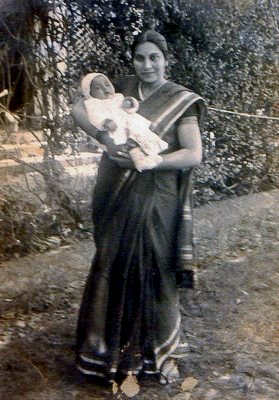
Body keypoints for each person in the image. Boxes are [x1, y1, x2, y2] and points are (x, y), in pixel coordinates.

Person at [71, 30, 206, 385]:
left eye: (153, 57)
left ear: (165, 59)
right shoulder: (117, 92)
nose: (147, 65)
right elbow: (77, 109)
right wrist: (103, 137)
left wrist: (147, 162)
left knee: (152, 267)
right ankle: (105, 354)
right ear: (133, 61)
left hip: (156, 193)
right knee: (112, 263)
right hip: (116, 191)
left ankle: (156, 354)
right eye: (140, 58)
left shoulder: (181, 100)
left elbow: (193, 154)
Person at [81, 72, 168, 172]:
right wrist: (105, 122)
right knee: (130, 145)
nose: (105, 89)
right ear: (89, 93)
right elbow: (94, 116)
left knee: (144, 134)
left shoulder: (118, 97)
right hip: (116, 128)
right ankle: (141, 162)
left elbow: (131, 109)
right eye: (97, 88)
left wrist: (129, 103)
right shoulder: (93, 103)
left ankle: (152, 154)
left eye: (107, 84)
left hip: (129, 122)